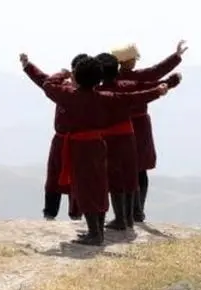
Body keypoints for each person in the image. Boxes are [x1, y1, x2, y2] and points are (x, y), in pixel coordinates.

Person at [22, 53, 171, 246]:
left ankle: (95, 234)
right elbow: (131, 98)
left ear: (76, 76)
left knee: (85, 188)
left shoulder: (69, 96)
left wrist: (61, 73)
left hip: (78, 147)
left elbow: (48, 84)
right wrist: (158, 91)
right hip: (98, 145)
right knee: (99, 187)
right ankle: (98, 230)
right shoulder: (104, 97)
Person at [92, 52, 179, 232]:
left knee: (117, 176)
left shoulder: (97, 92)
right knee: (134, 172)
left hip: (110, 137)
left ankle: (122, 217)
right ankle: (132, 215)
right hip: (130, 133)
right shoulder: (127, 84)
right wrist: (169, 83)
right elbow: (148, 87)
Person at [110, 40, 188, 223]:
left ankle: (124, 214)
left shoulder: (112, 80)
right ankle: (138, 212)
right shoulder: (138, 78)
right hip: (140, 127)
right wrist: (174, 70)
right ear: (129, 61)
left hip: (117, 126)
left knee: (123, 171)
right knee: (140, 169)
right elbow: (157, 73)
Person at [22, 54, 89, 222]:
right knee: (54, 177)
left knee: (77, 178)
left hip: (80, 142)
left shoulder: (86, 92)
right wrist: (28, 66)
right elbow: (43, 80)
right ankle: (50, 214)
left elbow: (47, 82)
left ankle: (76, 215)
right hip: (61, 141)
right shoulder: (63, 89)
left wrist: (62, 73)